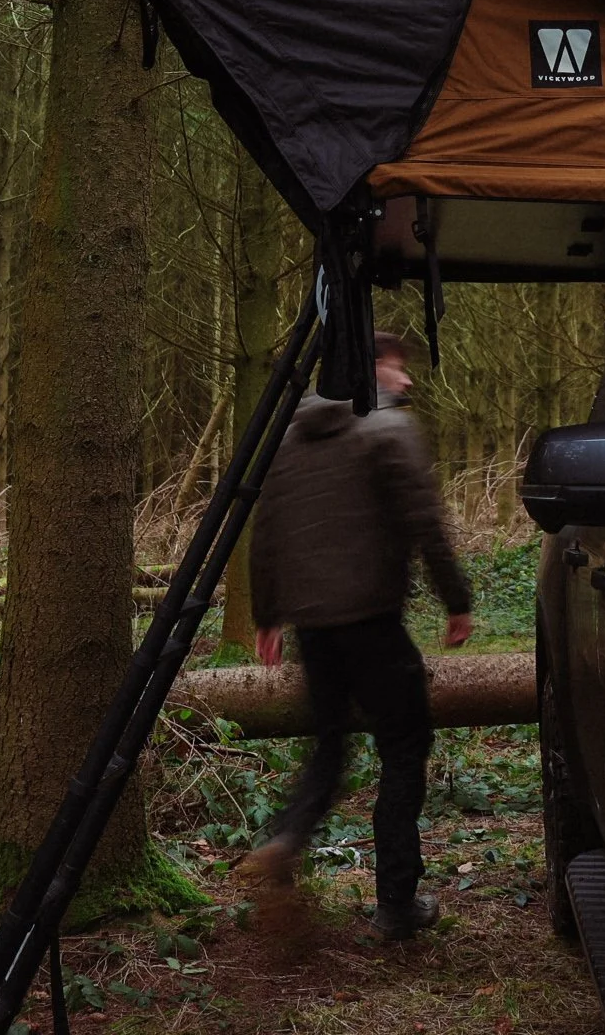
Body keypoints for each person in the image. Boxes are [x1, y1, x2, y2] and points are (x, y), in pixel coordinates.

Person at [246, 329, 473, 938]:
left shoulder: (289, 439)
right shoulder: (390, 431)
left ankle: (288, 838)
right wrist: (457, 601)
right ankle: (397, 901)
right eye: (396, 369)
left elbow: (265, 530)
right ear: (368, 372)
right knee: (404, 749)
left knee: (329, 745)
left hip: (312, 629)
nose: (406, 381)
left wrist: (267, 616)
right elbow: (426, 522)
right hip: (373, 623)